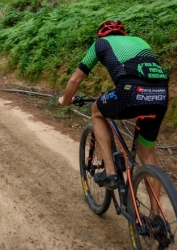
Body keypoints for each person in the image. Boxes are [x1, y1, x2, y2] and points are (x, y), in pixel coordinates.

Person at [59, 20, 170, 189]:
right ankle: (156, 207)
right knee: (147, 155)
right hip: (160, 94)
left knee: (97, 111)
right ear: (123, 34)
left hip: (130, 92)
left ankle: (110, 174)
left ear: (101, 35)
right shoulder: (140, 41)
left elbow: (75, 79)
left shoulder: (100, 43)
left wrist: (66, 101)